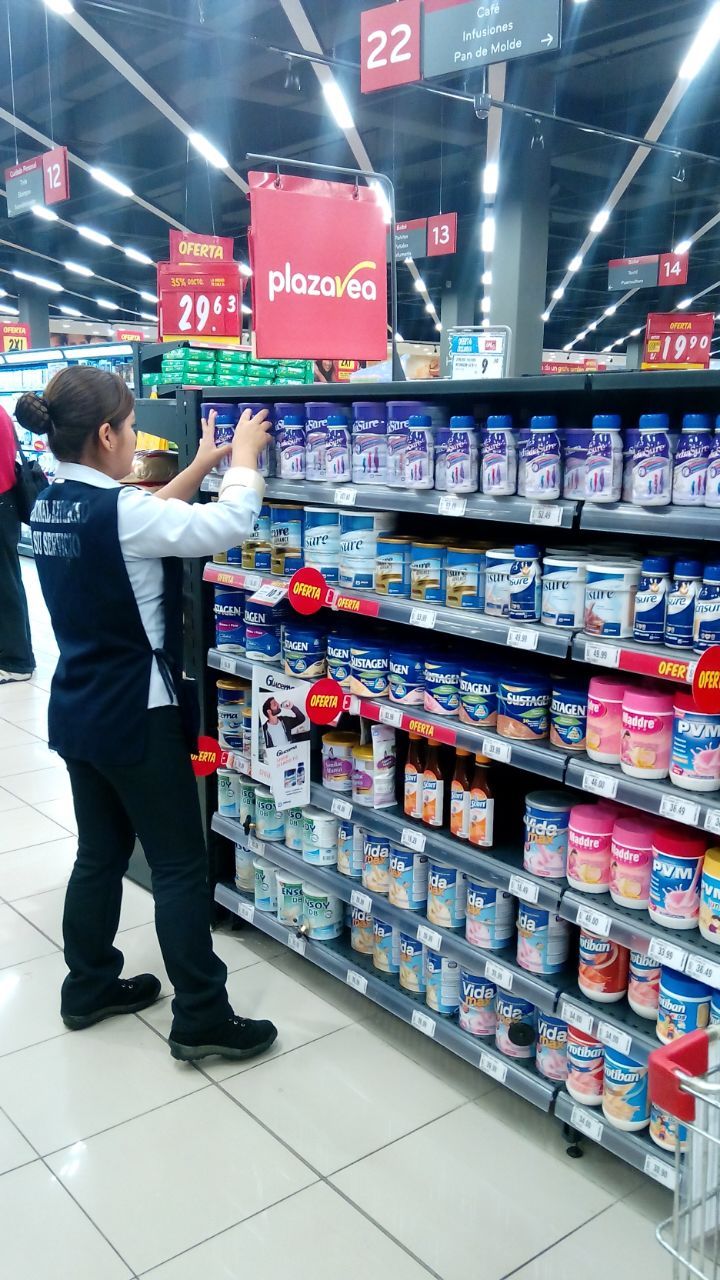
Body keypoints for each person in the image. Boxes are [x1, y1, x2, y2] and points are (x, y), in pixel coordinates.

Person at [18, 366, 277, 1064]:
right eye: (132, 427)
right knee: (178, 866)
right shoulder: (121, 512)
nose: (136, 439)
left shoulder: (53, 500)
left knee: (99, 853)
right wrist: (243, 461)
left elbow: (135, 522)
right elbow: (227, 524)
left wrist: (196, 466)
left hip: (79, 706)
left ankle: (88, 986)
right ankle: (202, 1015)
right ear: (106, 434)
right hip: (139, 712)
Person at [0, 402, 35, 683]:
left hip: (1, 501)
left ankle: (17, 662)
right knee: (7, 580)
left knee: (5, 583)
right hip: (5, 502)